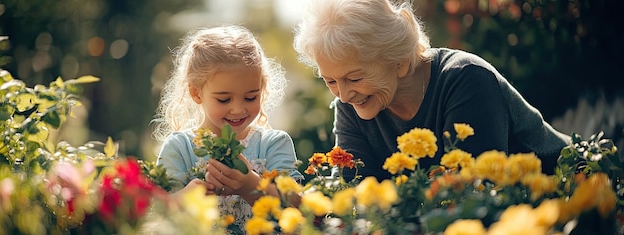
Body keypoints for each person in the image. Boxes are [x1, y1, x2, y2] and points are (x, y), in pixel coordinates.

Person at [292, 0, 571, 181]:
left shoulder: (466, 80)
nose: (342, 94)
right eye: (330, 81)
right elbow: (359, 194)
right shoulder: (349, 106)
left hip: (574, 191)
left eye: (354, 78)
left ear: (399, 62)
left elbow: (473, 192)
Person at [152, 25, 303, 233]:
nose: (238, 109)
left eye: (251, 97)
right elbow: (156, 214)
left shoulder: (274, 144)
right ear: (196, 93)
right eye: (224, 99)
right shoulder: (180, 147)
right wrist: (184, 200)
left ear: (263, 88)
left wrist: (251, 186)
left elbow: (298, 209)